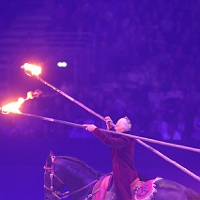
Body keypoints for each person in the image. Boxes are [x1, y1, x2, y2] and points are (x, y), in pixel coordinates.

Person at [84, 116, 139, 200]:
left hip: (123, 172)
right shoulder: (123, 137)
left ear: (122, 130)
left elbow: (110, 141)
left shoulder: (125, 140)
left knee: (123, 195)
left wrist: (95, 130)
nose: (115, 127)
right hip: (121, 170)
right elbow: (115, 138)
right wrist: (109, 128)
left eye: (117, 126)